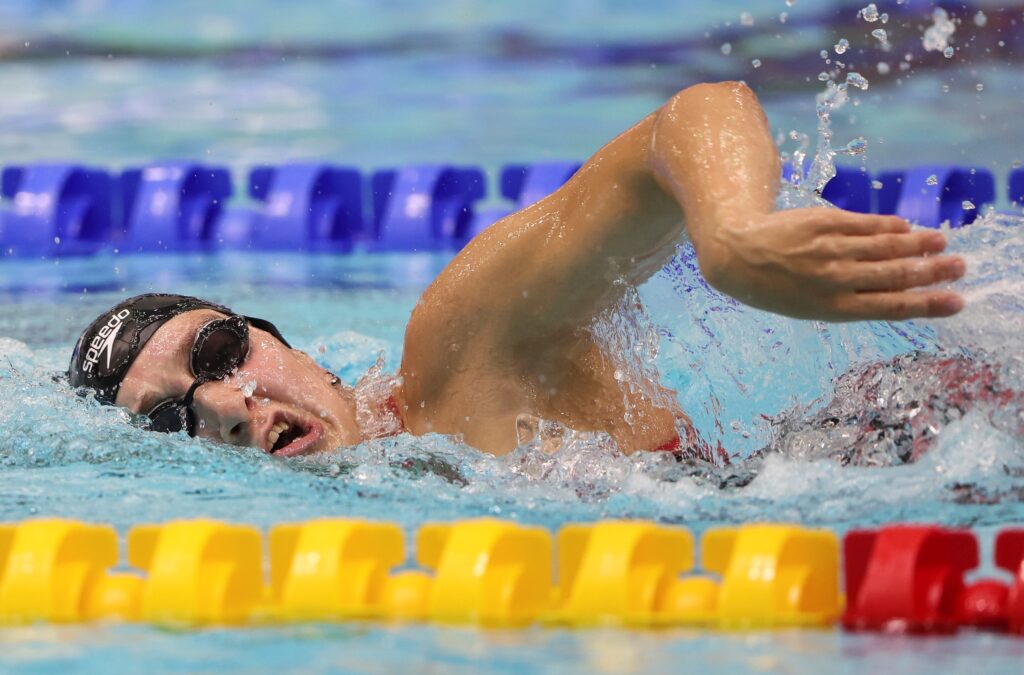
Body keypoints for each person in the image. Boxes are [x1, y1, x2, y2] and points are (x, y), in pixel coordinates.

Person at [68, 81, 967, 458]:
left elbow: (693, 113)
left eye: (220, 349)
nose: (226, 405)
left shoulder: (460, 349)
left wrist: (733, 238)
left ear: (275, 334)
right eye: (171, 420)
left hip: (919, 431)